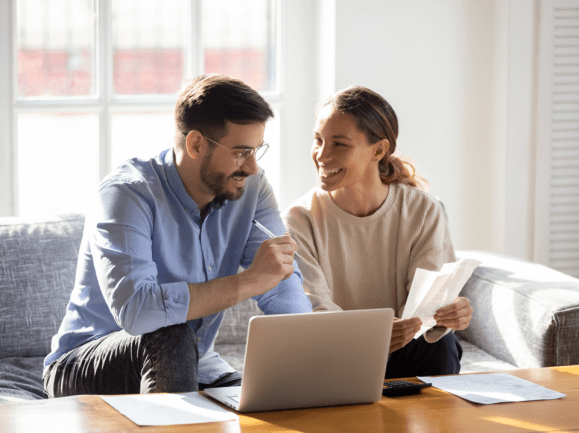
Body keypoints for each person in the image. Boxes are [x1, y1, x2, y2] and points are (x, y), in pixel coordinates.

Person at [43, 74, 312, 397]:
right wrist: (247, 282)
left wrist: (309, 354)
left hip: (196, 363)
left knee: (272, 402)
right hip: (85, 363)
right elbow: (137, 311)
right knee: (170, 335)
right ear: (196, 144)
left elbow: (281, 280)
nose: (252, 167)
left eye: (257, 150)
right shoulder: (127, 195)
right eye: (241, 152)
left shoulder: (251, 188)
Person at [283, 86, 472, 378]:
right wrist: (373, 335)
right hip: (338, 354)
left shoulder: (423, 209)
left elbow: (428, 307)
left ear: (379, 150)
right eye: (318, 140)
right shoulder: (300, 219)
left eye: (339, 144)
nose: (321, 155)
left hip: (408, 349)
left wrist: (448, 315)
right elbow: (315, 312)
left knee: (441, 345)